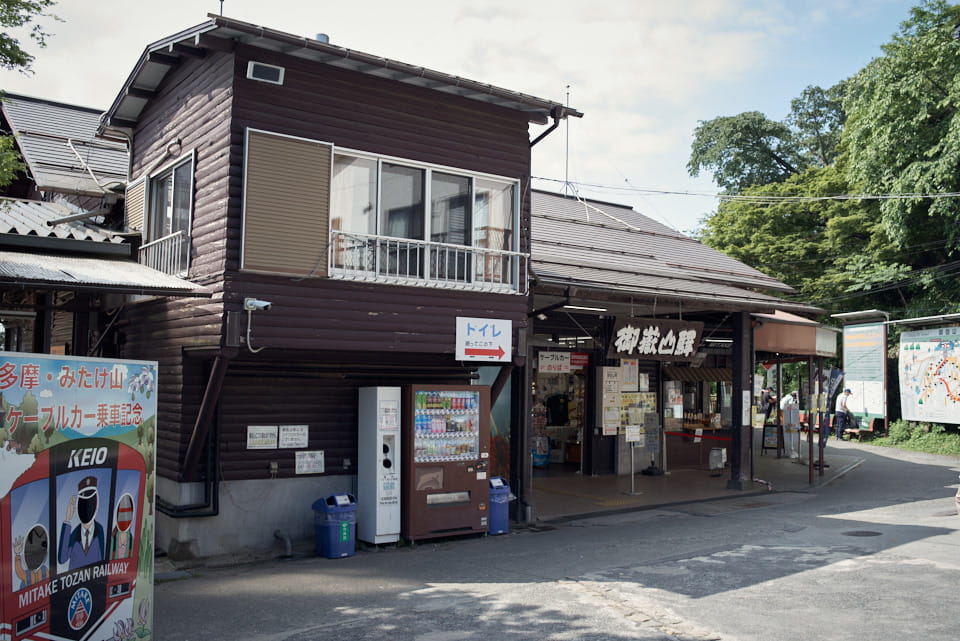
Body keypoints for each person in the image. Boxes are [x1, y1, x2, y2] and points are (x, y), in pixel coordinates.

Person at [58, 475, 106, 569]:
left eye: (90, 502)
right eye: (83, 504)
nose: (87, 508)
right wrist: (68, 519)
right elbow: (62, 559)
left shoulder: (99, 530)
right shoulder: (75, 534)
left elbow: (102, 559)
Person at [780, 391, 800, 459]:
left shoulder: (786, 397)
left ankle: (783, 424)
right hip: (786, 412)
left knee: (783, 422)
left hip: (781, 410)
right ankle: (791, 449)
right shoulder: (791, 398)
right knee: (788, 425)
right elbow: (792, 406)